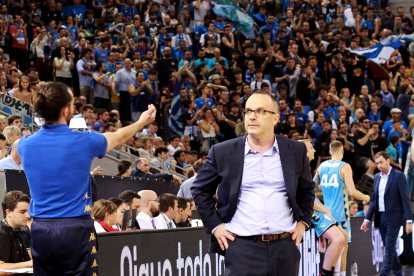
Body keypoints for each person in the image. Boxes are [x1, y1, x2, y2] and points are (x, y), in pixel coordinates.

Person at [16, 82, 156, 275]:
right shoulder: (84, 140)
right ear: (66, 111)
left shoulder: (24, 144)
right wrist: (141, 123)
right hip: (75, 229)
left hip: (40, 230)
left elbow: (15, 151)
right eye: (73, 102)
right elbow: (119, 136)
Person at [191, 90, 315, 276]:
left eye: (260, 111)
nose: (252, 116)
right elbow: (199, 189)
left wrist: (303, 222)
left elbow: (307, 190)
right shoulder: (223, 152)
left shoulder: (295, 150)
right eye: (248, 111)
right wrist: (216, 226)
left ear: (275, 118)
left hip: (285, 248)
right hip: (242, 248)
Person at [314, 140, 370, 276]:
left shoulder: (322, 166)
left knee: (334, 248)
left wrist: (326, 187)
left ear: (329, 151)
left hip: (326, 214)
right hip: (340, 213)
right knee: (343, 247)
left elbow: (313, 186)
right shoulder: (344, 166)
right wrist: (366, 197)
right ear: (342, 151)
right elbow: (352, 191)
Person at [361, 151, 413, 276]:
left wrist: (409, 221)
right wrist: (367, 219)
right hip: (381, 218)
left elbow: (405, 200)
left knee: (389, 248)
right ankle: (398, 272)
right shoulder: (377, 177)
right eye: (377, 163)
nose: (379, 165)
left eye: (381, 162)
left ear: (388, 160)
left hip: (394, 218)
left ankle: (383, 274)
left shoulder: (398, 176)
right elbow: (374, 200)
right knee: (389, 248)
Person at [301, 139, 347, 276]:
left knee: (344, 236)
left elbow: (313, 190)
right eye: (311, 147)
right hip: (310, 210)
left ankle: (331, 271)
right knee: (338, 239)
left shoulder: (308, 168)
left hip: (317, 205)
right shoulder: (299, 168)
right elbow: (306, 198)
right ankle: (325, 273)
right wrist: (325, 210)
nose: (314, 150)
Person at [0, 191, 32, 270]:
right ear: (8, 212)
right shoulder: (2, 233)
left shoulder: (19, 231)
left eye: (28, 211)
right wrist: (30, 264)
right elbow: (0, 267)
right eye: (22, 212)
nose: (28, 216)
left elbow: (26, 259)